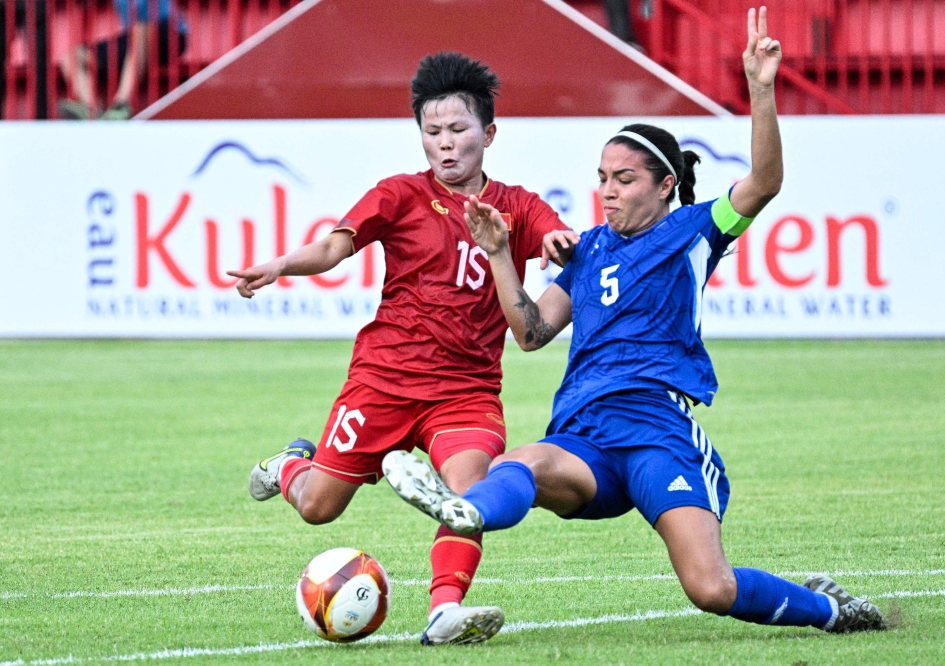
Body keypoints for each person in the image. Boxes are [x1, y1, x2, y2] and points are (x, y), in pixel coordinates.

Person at [382, 9, 888, 635]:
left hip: (656, 434)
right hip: (585, 435)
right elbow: (532, 333)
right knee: (524, 465)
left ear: (665, 185)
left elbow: (764, 181)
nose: (608, 191)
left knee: (711, 588)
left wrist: (760, 89)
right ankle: (465, 510)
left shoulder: (693, 232)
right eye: (601, 179)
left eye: (623, 179)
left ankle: (832, 609)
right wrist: (498, 255)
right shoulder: (589, 248)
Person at [228, 52, 578, 645]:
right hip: (383, 381)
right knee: (318, 507)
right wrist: (284, 263)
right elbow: (336, 247)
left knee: (471, 495)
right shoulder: (399, 194)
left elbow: (556, 236)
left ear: (489, 134)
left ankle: (445, 611)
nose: (445, 144)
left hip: (465, 393)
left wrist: (562, 244)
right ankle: (289, 463)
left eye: (458, 130)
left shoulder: (517, 206)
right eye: (432, 132)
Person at [58, 0, 187, 120]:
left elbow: (146, 16)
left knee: (140, 30)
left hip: (170, 34)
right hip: (133, 36)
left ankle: (122, 104)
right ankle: (91, 111)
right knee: (72, 56)